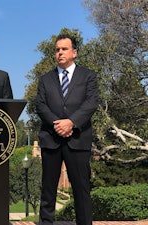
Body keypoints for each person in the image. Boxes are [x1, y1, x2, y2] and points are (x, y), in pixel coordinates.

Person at [35, 33, 99, 225]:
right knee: (48, 189)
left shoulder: (88, 76)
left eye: (64, 49)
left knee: (81, 189)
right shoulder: (45, 79)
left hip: (78, 140)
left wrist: (71, 122)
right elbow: (40, 105)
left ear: (74, 52)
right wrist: (58, 124)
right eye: (57, 50)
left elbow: (91, 103)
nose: (60, 53)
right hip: (51, 140)